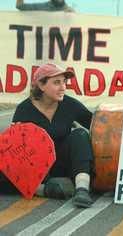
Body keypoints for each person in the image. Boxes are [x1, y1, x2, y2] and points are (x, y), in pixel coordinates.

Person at [12, 63, 94, 208]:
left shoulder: (70, 105)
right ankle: (47, 190)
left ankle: (82, 189)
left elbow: (96, 127)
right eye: (57, 83)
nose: (63, 87)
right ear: (41, 85)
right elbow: (16, 154)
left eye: (64, 82)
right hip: (39, 170)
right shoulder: (24, 110)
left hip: (64, 163)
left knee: (80, 134)